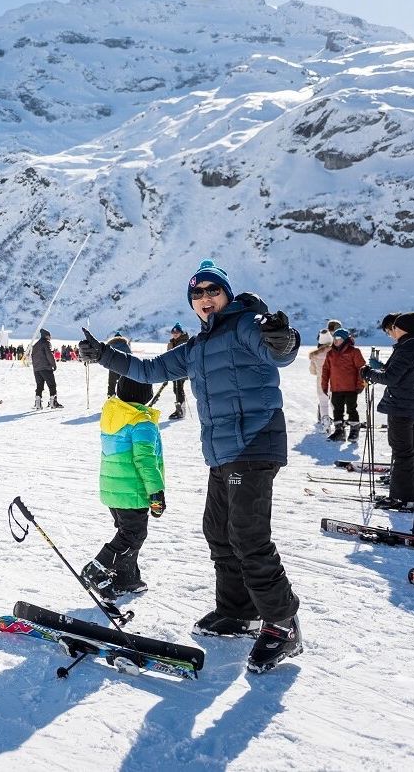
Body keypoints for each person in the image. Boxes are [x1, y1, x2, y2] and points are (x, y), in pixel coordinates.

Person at [79, 259, 303, 674]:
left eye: (212, 290)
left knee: (248, 536)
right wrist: (105, 355)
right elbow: (149, 370)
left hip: (254, 443)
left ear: (227, 294)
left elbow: (279, 349)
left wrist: (282, 337)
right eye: (197, 294)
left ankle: (282, 623)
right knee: (218, 531)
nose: (205, 298)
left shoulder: (246, 325)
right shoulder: (198, 346)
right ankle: (238, 611)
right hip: (222, 452)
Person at [80, 376, 164, 600]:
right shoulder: (142, 422)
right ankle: (96, 569)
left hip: (113, 489)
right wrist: (156, 491)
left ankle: (126, 578)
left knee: (128, 532)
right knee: (133, 536)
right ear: (145, 394)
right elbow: (146, 461)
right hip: (132, 490)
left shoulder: (113, 413)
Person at [360, 312, 414, 509]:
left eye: (394, 327)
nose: (393, 331)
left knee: (402, 453)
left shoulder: (406, 349)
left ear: (402, 329)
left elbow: (391, 378)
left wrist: (368, 373)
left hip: (401, 407)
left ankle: (402, 498)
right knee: (413, 453)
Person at [321, 329, 365, 441]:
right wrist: (324, 385)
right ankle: (339, 431)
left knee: (351, 409)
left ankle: (354, 431)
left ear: (345, 339)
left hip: (351, 388)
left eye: (338, 338)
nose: (335, 341)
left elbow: (361, 368)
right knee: (337, 410)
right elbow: (325, 370)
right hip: (336, 387)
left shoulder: (354, 352)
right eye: (334, 338)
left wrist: (360, 384)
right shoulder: (330, 353)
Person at [308, 329, 333, 431]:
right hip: (336, 382)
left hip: (322, 383)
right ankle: (339, 424)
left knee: (323, 404)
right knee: (335, 403)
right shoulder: (336, 353)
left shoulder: (315, 355)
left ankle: (326, 425)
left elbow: (312, 371)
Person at [31, 328, 63, 409]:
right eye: (49, 335)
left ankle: (38, 404)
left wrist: (35, 367)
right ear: (46, 336)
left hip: (37, 369)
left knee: (39, 386)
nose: (50, 337)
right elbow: (49, 354)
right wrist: (53, 364)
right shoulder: (46, 343)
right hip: (45, 368)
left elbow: (32, 356)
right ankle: (53, 403)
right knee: (52, 385)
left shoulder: (35, 345)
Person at [166, 322, 190, 419]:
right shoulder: (173, 342)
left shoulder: (183, 342)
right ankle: (180, 409)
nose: (175, 334)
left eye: (177, 332)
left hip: (180, 370)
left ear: (181, 333)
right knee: (177, 389)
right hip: (174, 369)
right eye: (173, 332)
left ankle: (180, 411)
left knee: (178, 389)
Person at [104, 331, 131, 397]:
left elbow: (106, 356)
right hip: (124, 367)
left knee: (111, 383)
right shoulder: (125, 345)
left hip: (112, 367)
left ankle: (111, 396)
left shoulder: (110, 345)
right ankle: (124, 397)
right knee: (123, 383)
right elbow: (130, 356)